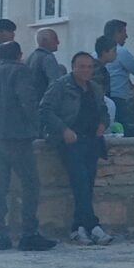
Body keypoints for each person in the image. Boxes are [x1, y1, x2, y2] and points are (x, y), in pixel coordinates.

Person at [0, 42, 54, 251]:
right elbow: (27, 101)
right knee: (31, 183)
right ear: (20, 55)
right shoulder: (21, 72)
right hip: (17, 136)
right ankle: (29, 232)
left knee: (0, 184)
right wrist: (36, 127)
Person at [46, 51, 112, 246]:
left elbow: (104, 111)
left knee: (86, 185)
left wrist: (103, 124)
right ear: (73, 67)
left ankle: (78, 227)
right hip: (71, 143)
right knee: (81, 182)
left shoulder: (95, 88)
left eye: (89, 67)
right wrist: (63, 129)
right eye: (82, 66)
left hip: (92, 141)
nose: (86, 70)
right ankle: (93, 226)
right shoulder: (60, 86)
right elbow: (46, 110)